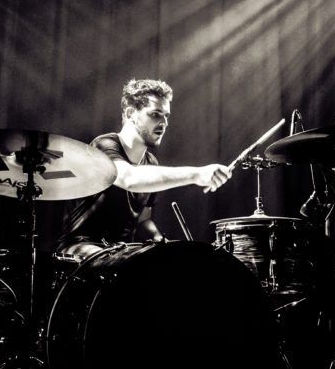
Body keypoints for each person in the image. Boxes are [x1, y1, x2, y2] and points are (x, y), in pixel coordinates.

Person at [53, 78, 233, 263]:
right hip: (79, 248)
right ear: (131, 113)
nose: (164, 123)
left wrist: (160, 241)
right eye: (155, 114)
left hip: (121, 252)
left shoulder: (151, 163)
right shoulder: (104, 145)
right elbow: (129, 179)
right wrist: (197, 174)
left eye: (166, 115)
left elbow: (142, 221)